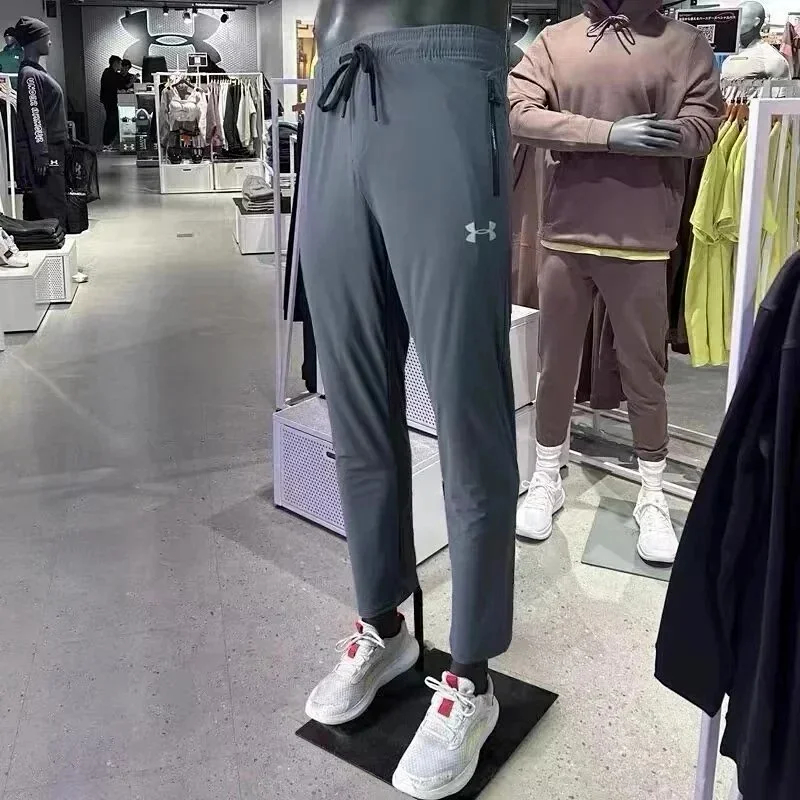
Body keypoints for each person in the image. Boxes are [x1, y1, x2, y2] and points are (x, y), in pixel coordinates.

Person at [100, 55, 122, 148]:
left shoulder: (108, 72)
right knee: (112, 121)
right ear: (115, 63)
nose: (121, 66)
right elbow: (117, 85)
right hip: (110, 100)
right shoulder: (110, 73)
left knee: (111, 120)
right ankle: (107, 143)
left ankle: (108, 142)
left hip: (108, 100)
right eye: (120, 63)